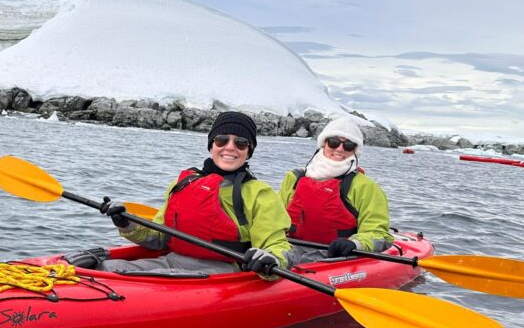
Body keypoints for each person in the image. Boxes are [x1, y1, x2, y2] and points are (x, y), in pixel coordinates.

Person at [65, 112, 297, 276]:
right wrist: (125, 222)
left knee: (123, 277)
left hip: (223, 272)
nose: (230, 147)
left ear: (249, 151)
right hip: (172, 261)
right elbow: (158, 239)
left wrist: (271, 259)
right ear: (211, 145)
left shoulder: (259, 193)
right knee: (105, 269)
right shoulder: (185, 182)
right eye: (221, 140)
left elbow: (278, 245)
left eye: (241, 143)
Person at [279, 116, 393, 261]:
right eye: (333, 142)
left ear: (355, 151)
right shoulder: (294, 178)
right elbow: (274, 220)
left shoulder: (366, 187)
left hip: (337, 256)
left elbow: (378, 232)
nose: (339, 149)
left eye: (348, 145)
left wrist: (355, 243)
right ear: (323, 144)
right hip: (291, 248)